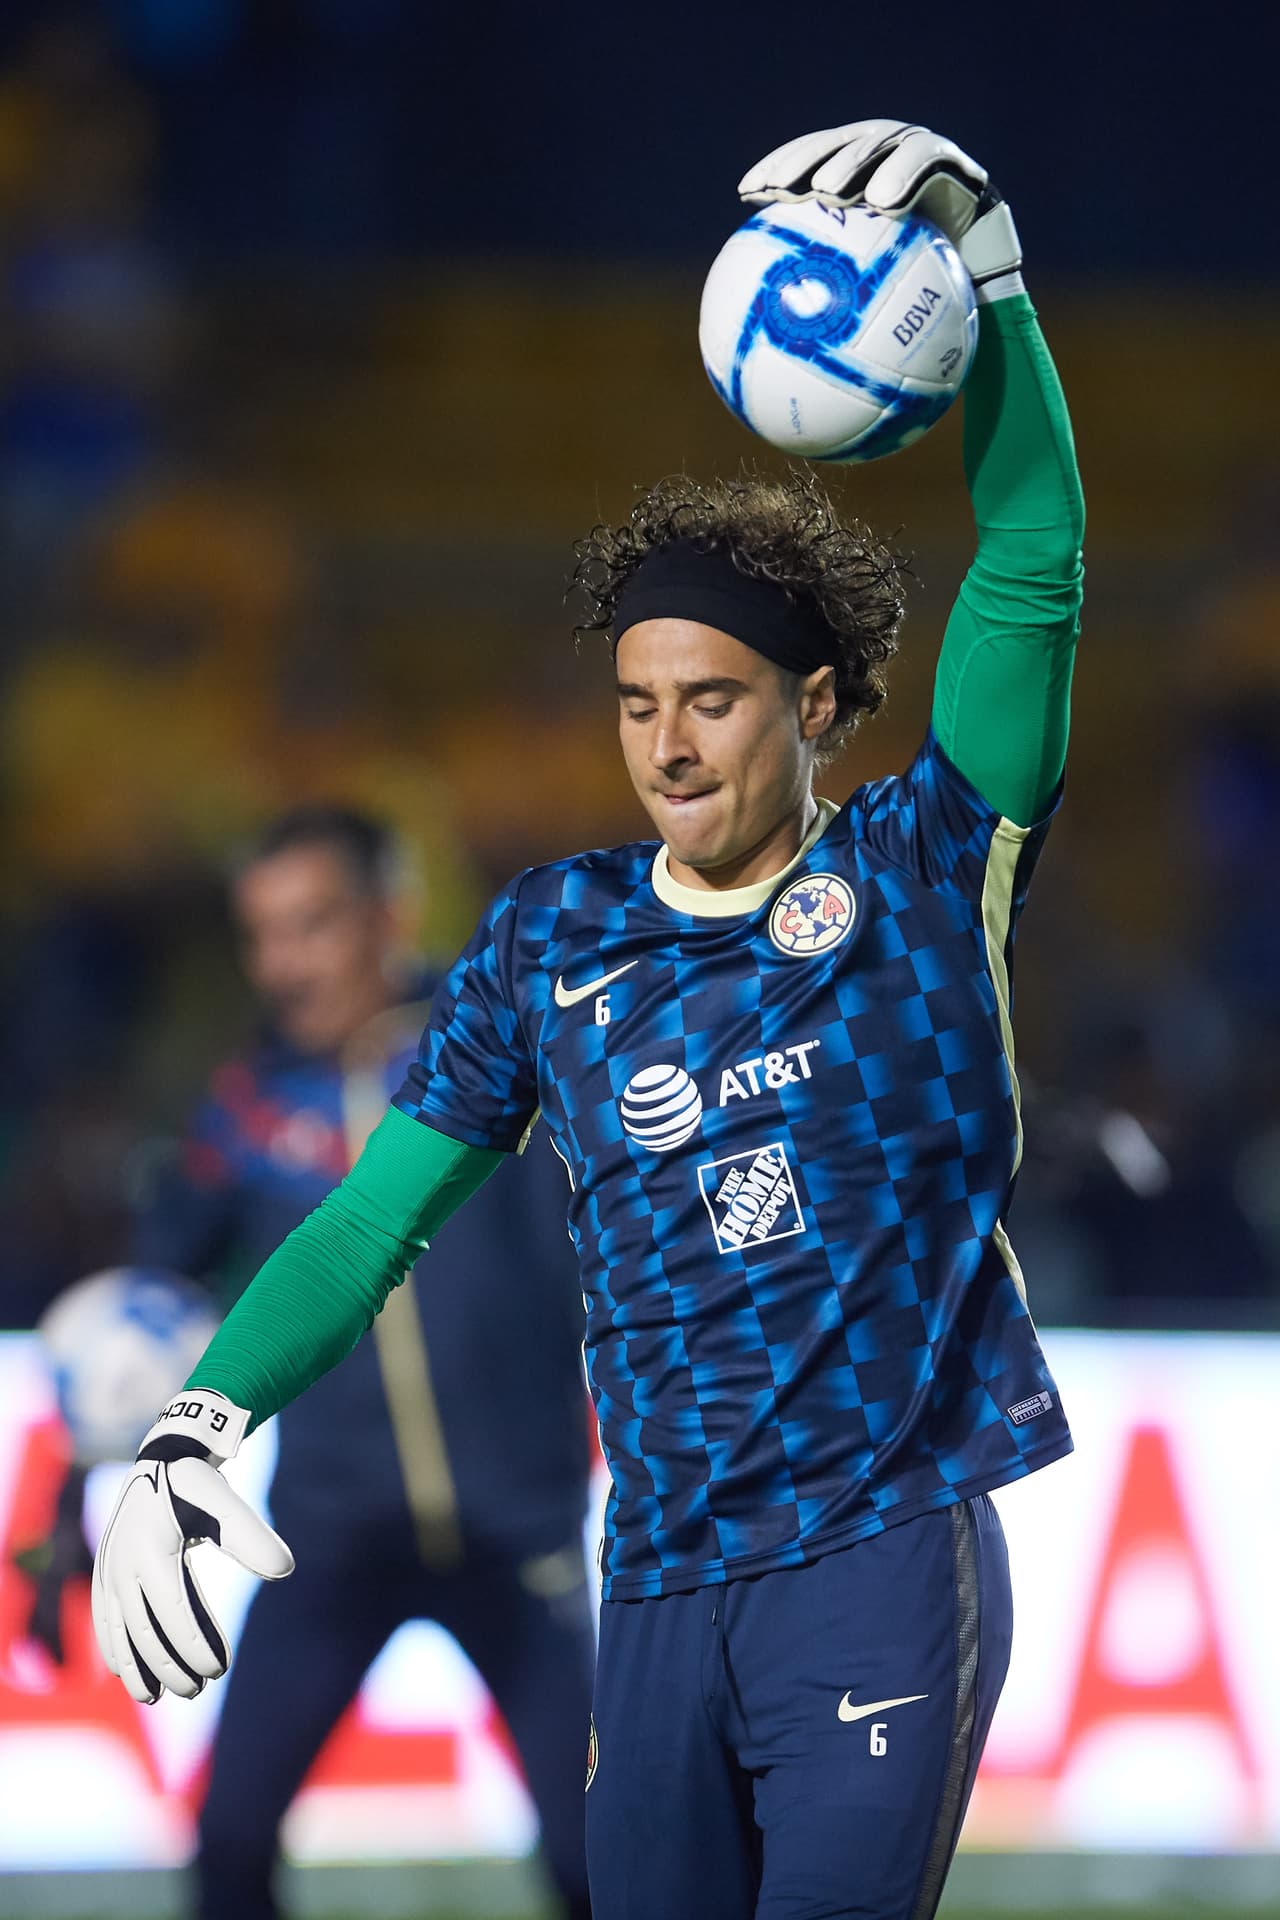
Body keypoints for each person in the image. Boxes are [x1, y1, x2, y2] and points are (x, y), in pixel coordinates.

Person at [93, 120, 1085, 1920]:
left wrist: (996, 278)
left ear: (820, 705)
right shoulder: (553, 939)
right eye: (637, 704)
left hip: (878, 1560)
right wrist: (201, 1422)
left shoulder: (926, 873)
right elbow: (370, 1221)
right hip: (656, 1591)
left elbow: (1031, 555)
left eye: (714, 699)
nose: (670, 748)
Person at [129, 805, 595, 1920]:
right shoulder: (247, 1105)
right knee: (229, 1842)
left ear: (390, 915)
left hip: (518, 1535)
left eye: (313, 925)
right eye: (261, 934)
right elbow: (155, 1293)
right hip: (324, 1542)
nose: (282, 965)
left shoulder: (499, 1052)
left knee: (599, 1863)